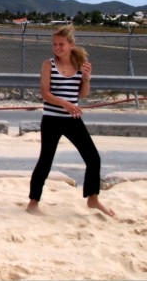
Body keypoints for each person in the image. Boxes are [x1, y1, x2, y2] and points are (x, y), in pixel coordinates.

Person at [26, 25, 115, 217]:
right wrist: (65, 104)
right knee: (45, 161)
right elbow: (45, 93)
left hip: (72, 119)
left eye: (61, 44)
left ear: (71, 45)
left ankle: (93, 199)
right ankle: (33, 203)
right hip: (51, 119)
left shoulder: (80, 62)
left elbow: (82, 94)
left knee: (93, 158)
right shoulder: (48, 64)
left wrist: (87, 78)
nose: (57, 47)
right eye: (54, 44)